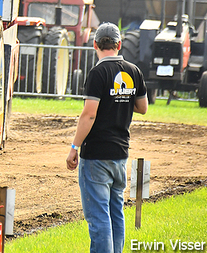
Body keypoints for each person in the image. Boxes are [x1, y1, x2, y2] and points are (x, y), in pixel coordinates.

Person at [66, 22, 148, 253]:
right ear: (119, 44)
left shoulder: (97, 73)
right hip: (120, 155)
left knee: (99, 217)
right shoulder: (133, 71)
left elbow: (89, 115)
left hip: (96, 157)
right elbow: (142, 107)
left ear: (95, 45)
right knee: (115, 214)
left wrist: (74, 147)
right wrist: (120, 101)